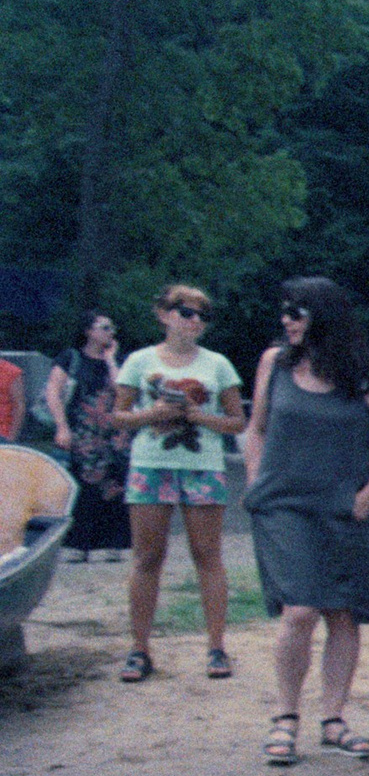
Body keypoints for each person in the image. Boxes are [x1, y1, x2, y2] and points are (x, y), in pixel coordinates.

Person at [241, 278, 369, 765]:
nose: (287, 320)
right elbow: (256, 430)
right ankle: (285, 717)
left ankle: (333, 719)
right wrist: (255, 479)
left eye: (297, 311)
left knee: (343, 612)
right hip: (284, 505)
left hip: (345, 507)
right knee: (300, 610)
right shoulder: (275, 365)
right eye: (284, 311)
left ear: (324, 316)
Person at [111, 284, 246, 682]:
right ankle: (139, 649)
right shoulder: (138, 360)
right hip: (151, 464)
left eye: (203, 315)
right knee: (147, 557)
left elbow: (238, 421)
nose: (195, 322)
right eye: (187, 312)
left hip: (202, 465)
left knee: (208, 554)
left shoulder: (218, 365)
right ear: (164, 314)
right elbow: (118, 415)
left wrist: (198, 417)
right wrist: (152, 413)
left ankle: (217, 647)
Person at [44, 310, 131, 561]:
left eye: (112, 327)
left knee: (114, 484)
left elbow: (123, 390)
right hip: (81, 431)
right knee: (81, 486)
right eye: (104, 327)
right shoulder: (70, 358)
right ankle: (78, 544)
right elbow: (53, 391)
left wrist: (112, 360)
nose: (110, 332)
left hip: (112, 433)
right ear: (88, 331)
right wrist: (61, 426)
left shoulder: (116, 360)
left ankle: (112, 543)